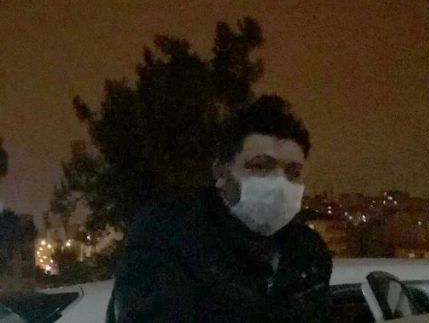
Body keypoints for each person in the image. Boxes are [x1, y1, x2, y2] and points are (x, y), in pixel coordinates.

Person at [107, 95, 332, 323]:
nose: (280, 184)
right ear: (221, 173)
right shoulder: (168, 236)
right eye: (260, 166)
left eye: (293, 172)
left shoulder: (307, 252)